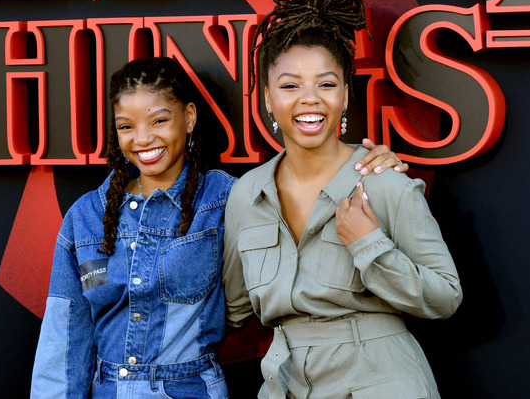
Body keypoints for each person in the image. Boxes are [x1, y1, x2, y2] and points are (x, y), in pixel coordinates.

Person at [30, 57, 406, 398]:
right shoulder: (86, 216)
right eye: (126, 126)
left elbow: (303, 188)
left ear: (189, 117)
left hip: (191, 389)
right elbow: (65, 337)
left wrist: (367, 164)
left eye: (159, 120)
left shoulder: (226, 199)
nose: (142, 139)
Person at [222, 0, 463, 399]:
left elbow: (446, 296)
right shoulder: (246, 194)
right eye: (290, 85)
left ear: (346, 96)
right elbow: (232, 311)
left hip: (381, 379)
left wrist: (370, 245)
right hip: (285, 383)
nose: (309, 98)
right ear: (267, 99)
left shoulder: (382, 181)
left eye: (326, 84)